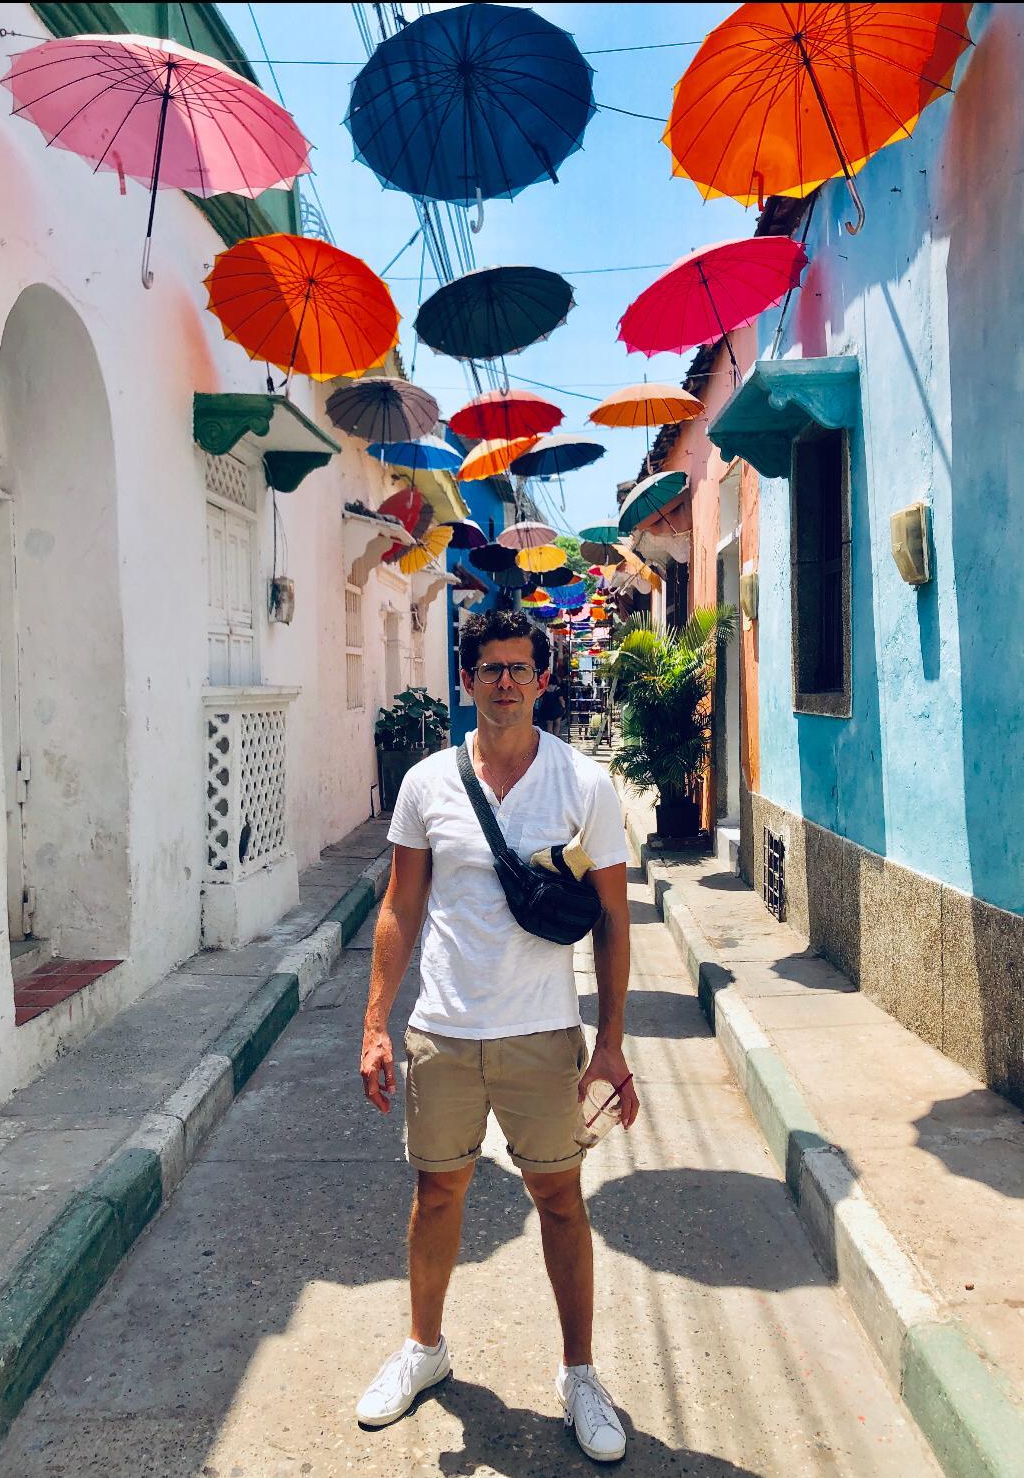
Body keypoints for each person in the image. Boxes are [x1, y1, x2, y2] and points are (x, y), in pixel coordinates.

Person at [357, 607, 638, 1462]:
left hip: (542, 1034)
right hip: (442, 1030)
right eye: (491, 669)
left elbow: (615, 923)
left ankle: (579, 1373)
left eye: (520, 668)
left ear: (542, 681)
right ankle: (424, 1350)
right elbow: (401, 906)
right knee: (436, 1195)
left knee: (557, 1199)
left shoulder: (583, 786)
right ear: (468, 679)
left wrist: (612, 1042)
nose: (506, 683)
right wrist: (376, 1024)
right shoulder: (427, 783)